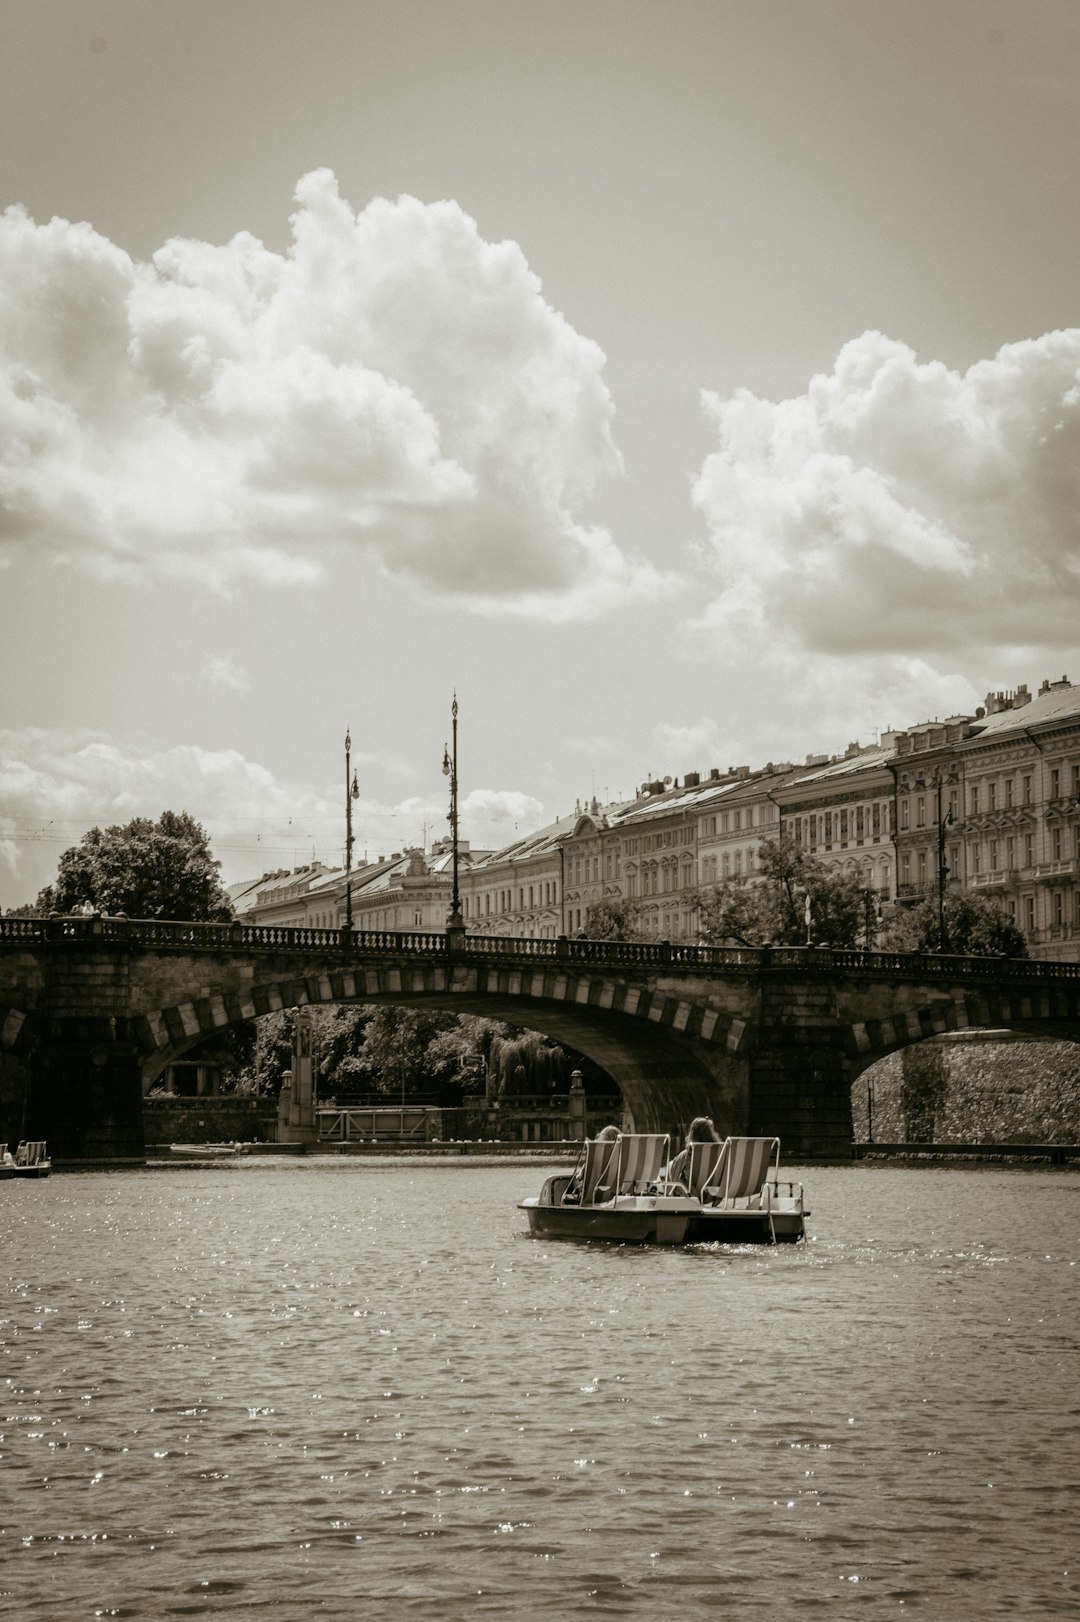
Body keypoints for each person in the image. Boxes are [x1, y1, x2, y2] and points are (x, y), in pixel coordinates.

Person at [561, 1124, 620, 1204]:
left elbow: (579, 1177)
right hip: (615, 1195)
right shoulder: (621, 1159)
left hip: (592, 1196)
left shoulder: (596, 1158)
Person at [665, 1116, 721, 1190]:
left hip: (693, 1192)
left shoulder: (688, 1154)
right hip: (712, 1192)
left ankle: (670, 1195)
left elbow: (677, 1172)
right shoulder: (719, 1152)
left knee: (671, 1164)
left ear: (692, 1133)